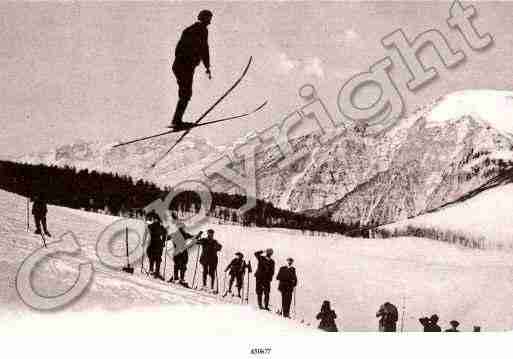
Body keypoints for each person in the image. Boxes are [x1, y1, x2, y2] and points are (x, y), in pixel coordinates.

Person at [170, 9, 213, 129]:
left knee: (185, 93)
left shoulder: (189, 30)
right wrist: (207, 66)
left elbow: (179, 48)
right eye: (209, 19)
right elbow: (204, 49)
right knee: (186, 93)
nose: (210, 22)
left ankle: (176, 120)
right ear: (205, 19)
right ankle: (177, 121)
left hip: (180, 66)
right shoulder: (201, 30)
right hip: (185, 66)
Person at [168, 216, 202, 287]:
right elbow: (191, 237)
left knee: (180, 265)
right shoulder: (178, 234)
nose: (183, 229)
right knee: (180, 265)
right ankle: (178, 278)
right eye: (182, 228)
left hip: (181, 252)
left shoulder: (178, 234)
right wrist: (197, 237)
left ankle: (178, 278)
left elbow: (191, 237)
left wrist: (198, 236)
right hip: (179, 252)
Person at [146, 212, 168, 280]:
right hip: (157, 243)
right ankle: (155, 271)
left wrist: (163, 241)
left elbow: (165, 234)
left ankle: (153, 271)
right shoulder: (160, 227)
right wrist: (163, 242)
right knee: (157, 258)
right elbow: (165, 234)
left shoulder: (153, 226)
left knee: (154, 257)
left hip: (154, 243)